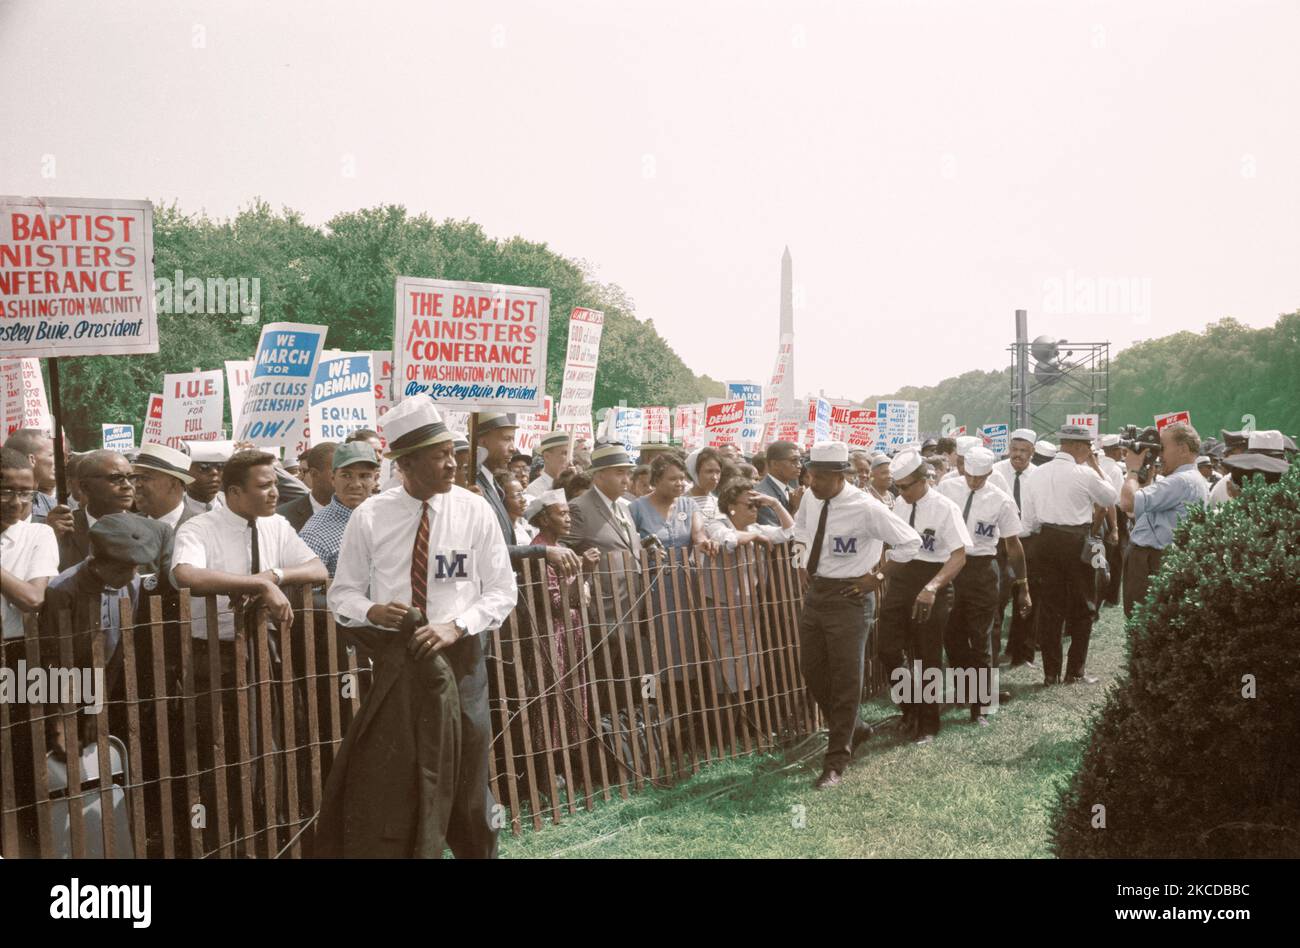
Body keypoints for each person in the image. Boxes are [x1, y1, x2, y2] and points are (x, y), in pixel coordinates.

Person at [327, 396, 516, 858]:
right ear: (406, 464)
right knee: (402, 776)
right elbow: (342, 594)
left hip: (462, 661)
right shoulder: (370, 516)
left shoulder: (474, 511)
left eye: (453, 454)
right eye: (440, 456)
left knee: (468, 773)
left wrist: (456, 625)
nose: (452, 464)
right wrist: (371, 611)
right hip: (400, 664)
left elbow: (501, 591)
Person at [170, 449, 328, 855]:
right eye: (264, 485)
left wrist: (274, 575)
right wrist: (253, 585)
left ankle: (264, 836)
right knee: (220, 748)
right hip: (214, 654)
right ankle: (218, 841)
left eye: (275, 483)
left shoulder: (276, 526)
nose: (275, 492)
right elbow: (185, 574)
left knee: (269, 742)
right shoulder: (199, 527)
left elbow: (317, 569)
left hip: (267, 649)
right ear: (235, 492)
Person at [793, 442, 921, 785]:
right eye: (809, 474)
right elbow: (801, 529)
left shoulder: (866, 507)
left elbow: (910, 542)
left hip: (850, 598)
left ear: (839, 477)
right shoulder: (811, 497)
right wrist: (801, 561)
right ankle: (855, 727)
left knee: (846, 679)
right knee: (812, 670)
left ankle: (835, 761)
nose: (811, 482)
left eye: (818, 477)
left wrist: (877, 576)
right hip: (817, 594)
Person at [880, 449, 969, 744]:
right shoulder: (900, 506)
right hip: (903, 579)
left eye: (905, 486)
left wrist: (933, 588)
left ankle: (929, 723)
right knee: (888, 649)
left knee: (927, 656)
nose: (900, 492)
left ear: (923, 480)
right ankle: (910, 707)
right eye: (898, 487)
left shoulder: (945, 507)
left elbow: (958, 556)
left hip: (934, 579)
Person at [1020, 425, 1119, 685]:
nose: (1090, 453)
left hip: (1045, 540)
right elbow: (1110, 497)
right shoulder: (1085, 473)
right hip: (1076, 541)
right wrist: (1097, 467)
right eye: (1088, 448)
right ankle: (1075, 671)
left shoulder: (1037, 475)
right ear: (1078, 447)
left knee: (1050, 608)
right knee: (1084, 606)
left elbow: (1028, 521)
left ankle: (1050, 673)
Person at [937, 447, 1029, 724]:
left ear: (989, 472)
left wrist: (1023, 584)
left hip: (982, 569)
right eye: (970, 476)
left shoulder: (1000, 500)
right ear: (963, 469)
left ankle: (980, 707)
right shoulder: (946, 488)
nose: (974, 482)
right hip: (951, 566)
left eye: (980, 477)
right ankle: (969, 686)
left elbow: (1013, 544)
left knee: (981, 636)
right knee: (950, 634)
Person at [0, 447, 60, 846]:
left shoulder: (39, 533)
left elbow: (32, 598)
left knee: (19, 757)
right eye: (6, 491)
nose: (18, 502)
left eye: (26, 492)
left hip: (17, 658)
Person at [523, 489, 599, 762]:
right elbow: (557, 603)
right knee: (554, 695)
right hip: (552, 634)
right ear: (544, 519)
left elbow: (580, 598)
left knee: (573, 691)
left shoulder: (564, 550)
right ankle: (551, 765)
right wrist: (585, 572)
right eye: (562, 513)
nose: (568, 518)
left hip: (571, 632)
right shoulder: (541, 552)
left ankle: (571, 759)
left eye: (569, 513)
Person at [630, 453, 717, 688]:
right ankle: (655, 696)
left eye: (682, 478)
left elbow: (698, 534)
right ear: (656, 480)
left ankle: (685, 694)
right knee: (656, 642)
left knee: (685, 639)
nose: (679, 483)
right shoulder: (636, 508)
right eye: (672, 479)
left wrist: (703, 543)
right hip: (653, 587)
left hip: (684, 584)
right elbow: (629, 543)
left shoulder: (688, 504)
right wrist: (643, 550)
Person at [1118, 422, 1209, 617]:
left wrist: (1133, 470)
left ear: (1183, 449)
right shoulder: (1191, 478)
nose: (1159, 455)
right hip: (1157, 556)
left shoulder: (1181, 480)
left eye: (1163, 448)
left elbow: (1127, 502)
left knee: (1141, 618)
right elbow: (1136, 513)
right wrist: (1147, 478)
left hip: (1152, 559)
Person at [473, 413, 581, 578]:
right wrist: (543, 551)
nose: (512, 447)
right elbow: (486, 551)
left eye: (513, 439)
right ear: (482, 442)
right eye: (506, 439)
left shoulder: (492, 485)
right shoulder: (475, 487)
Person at [300, 442, 381, 577]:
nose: (355, 484)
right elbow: (310, 594)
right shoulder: (314, 534)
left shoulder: (390, 516)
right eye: (346, 475)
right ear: (333, 478)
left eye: (364, 476)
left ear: (375, 478)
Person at [995, 429, 1040, 666]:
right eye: (1014, 450)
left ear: (1032, 452)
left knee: (1027, 596)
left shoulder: (1039, 475)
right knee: (999, 596)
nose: (1018, 455)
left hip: (1029, 541)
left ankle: (1022, 653)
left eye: (1024, 451)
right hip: (1000, 543)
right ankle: (993, 650)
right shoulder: (996, 472)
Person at [57, 449, 136, 571]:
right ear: (85, 486)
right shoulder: (61, 530)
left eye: (131, 477)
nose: (128, 485)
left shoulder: (156, 532)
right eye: (116, 478)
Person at [3, 428, 73, 537]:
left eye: (25, 492)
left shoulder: (57, 508)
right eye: (51, 455)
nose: (60, 461)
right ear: (30, 459)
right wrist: (45, 532)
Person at [130, 443, 207, 533]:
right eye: (136, 478)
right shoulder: (128, 526)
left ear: (173, 484)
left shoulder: (202, 528)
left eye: (145, 477)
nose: (137, 484)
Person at [279, 442, 337, 532]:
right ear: (314, 473)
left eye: (348, 474)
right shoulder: (283, 518)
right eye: (336, 472)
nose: (347, 480)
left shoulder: (360, 512)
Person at [756, 440, 803, 527]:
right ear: (775, 464)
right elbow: (779, 536)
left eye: (800, 460)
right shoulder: (763, 495)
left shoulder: (792, 491)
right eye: (793, 460)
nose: (799, 465)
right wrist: (793, 509)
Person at [525, 431, 573, 498]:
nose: (569, 459)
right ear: (547, 456)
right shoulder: (533, 490)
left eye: (570, 454)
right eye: (564, 453)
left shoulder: (573, 485)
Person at [185, 440, 232, 508]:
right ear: (185, 471)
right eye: (204, 467)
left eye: (220, 466)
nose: (214, 472)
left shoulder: (236, 506)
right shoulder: (171, 510)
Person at [496, 471, 536, 545]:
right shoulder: (500, 531)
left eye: (523, 494)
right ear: (502, 498)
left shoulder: (519, 527)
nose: (523, 500)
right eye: (517, 495)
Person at [684, 447, 724, 522]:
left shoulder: (718, 503)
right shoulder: (682, 504)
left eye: (718, 472)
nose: (715, 477)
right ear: (695, 473)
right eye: (709, 471)